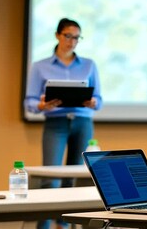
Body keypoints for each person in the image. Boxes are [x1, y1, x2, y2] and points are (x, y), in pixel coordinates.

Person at [24, 18, 102, 229]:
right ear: (58, 35)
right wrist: (42, 105)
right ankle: (45, 226)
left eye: (77, 37)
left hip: (82, 122)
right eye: (68, 36)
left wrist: (93, 102)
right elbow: (29, 101)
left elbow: (99, 100)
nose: (72, 41)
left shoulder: (89, 65)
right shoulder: (40, 67)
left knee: (76, 177)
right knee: (51, 179)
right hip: (55, 122)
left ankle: (66, 225)